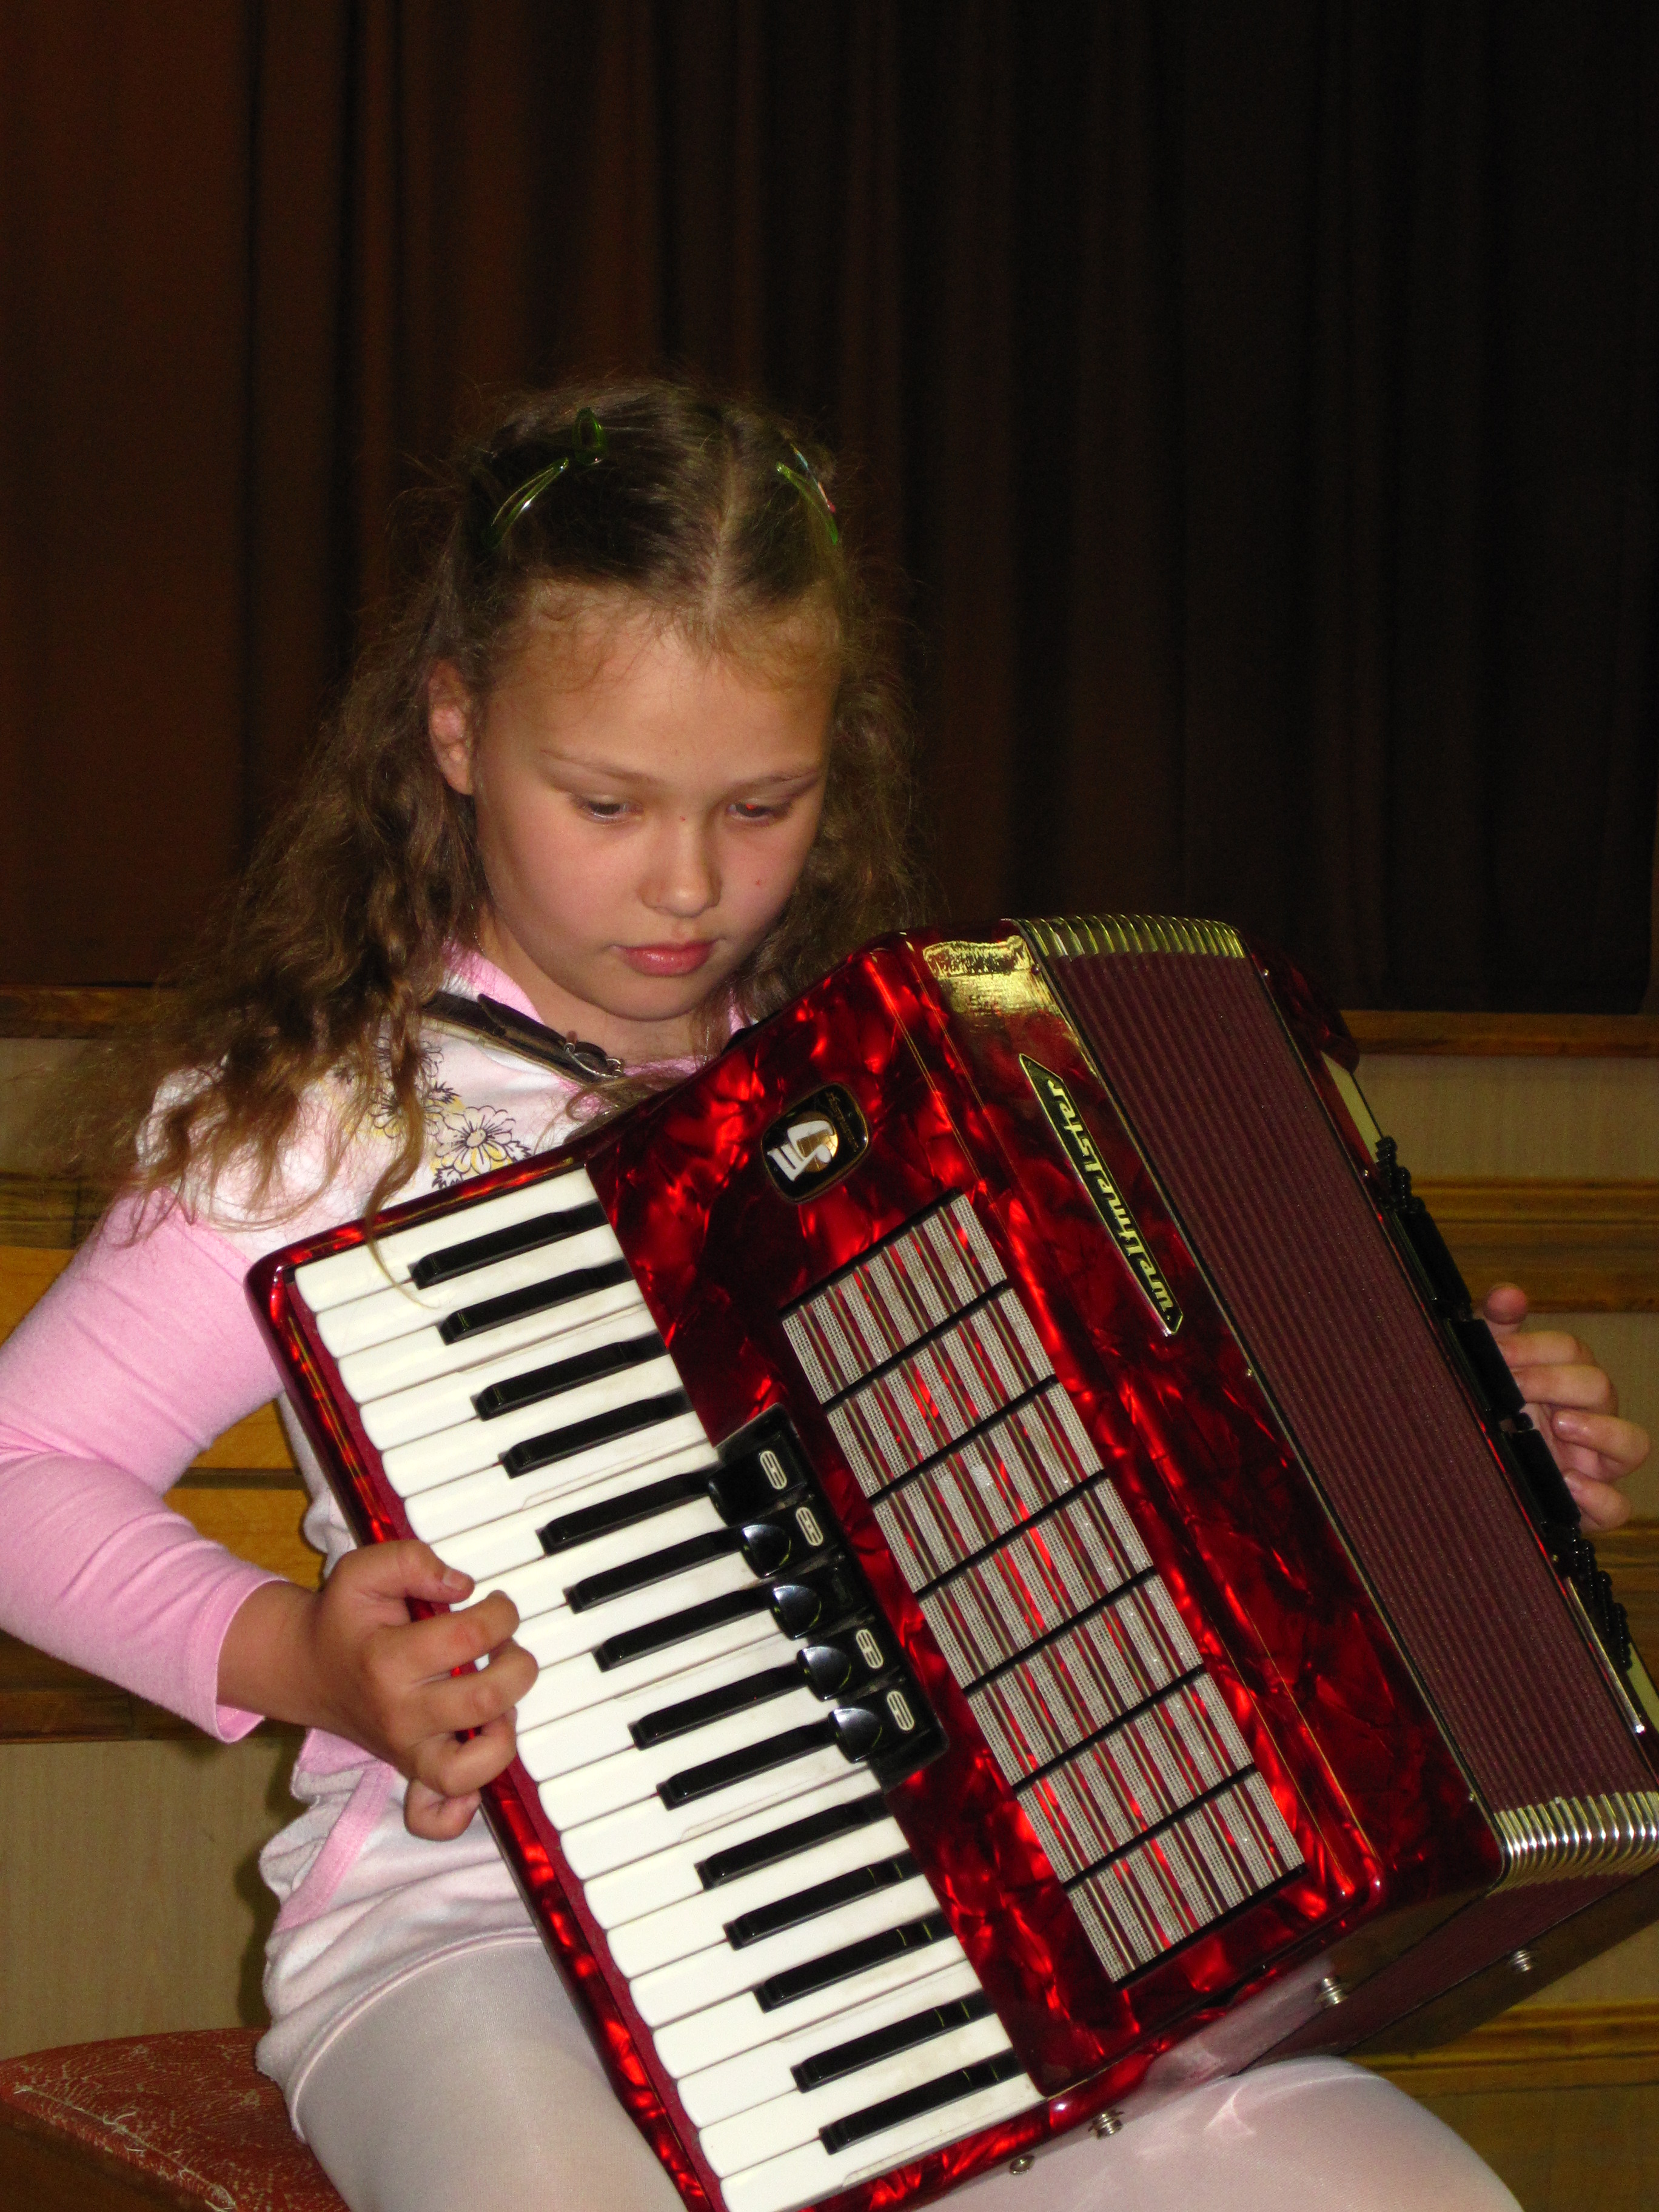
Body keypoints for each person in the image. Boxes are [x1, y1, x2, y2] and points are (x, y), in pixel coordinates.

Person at [0, 379, 1644, 2212]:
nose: (688, 881)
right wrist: (303, 1659)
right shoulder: (327, 1114)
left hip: (994, 1925)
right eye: (606, 801)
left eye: (759, 804)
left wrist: (1451, 1457)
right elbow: (18, 1474)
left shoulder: (920, 1091)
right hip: (486, 1934)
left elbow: (1164, 1502)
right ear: (456, 729)